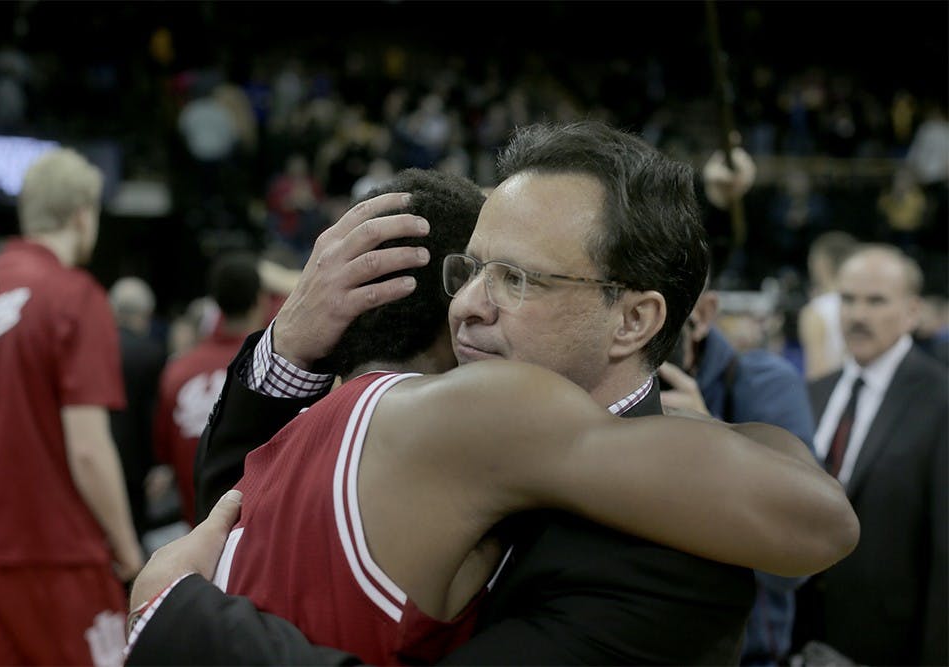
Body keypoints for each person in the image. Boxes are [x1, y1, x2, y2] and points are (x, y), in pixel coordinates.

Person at [127, 123, 857, 665]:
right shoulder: (435, 414)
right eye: (470, 270)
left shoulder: (670, 558)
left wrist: (177, 617)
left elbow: (824, 521)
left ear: (634, 318)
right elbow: (245, 540)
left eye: (517, 278)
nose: (468, 304)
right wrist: (287, 348)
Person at [0, 148, 144, 666]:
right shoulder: (73, 296)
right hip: (54, 559)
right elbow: (87, 449)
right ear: (83, 215)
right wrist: (128, 550)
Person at [793, 244, 947, 666]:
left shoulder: (940, 399)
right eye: (848, 299)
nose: (858, 315)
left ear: (913, 312)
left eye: (876, 301)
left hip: (890, 644)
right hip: (799, 635)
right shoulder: (813, 393)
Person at [657, 266, 817, 667]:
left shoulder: (764, 386)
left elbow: (796, 560)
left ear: (705, 314)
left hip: (746, 652)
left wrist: (709, 435)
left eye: (669, 326)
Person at [153, 251, 269, 526]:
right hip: (256, 528)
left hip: (194, 528)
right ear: (259, 301)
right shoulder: (272, 369)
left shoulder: (178, 370)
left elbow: (164, 452)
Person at [109, 275, 167, 541]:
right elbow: (154, 415)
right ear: (146, 314)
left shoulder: (91, 350)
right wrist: (158, 463)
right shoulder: (151, 353)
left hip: (95, 460)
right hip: (136, 469)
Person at [797, 230, 858, 380]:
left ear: (821, 263)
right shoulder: (868, 307)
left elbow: (817, 373)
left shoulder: (816, 311)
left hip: (833, 393)